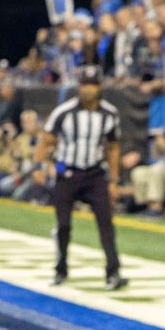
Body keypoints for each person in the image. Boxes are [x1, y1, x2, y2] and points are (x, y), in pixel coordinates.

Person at [35, 65, 128, 291]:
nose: (88, 90)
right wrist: (40, 166)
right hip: (67, 173)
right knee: (64, 224)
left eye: (92, 85)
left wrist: (114, 181)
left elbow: (113, 148)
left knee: (105, 221)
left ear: (99, 87)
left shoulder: (109, 113)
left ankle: (113, 272)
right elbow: (46, 139)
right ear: (79, 87)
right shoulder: (64, 112)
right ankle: (60, 268)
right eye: (85, 85)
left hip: (95, 173)